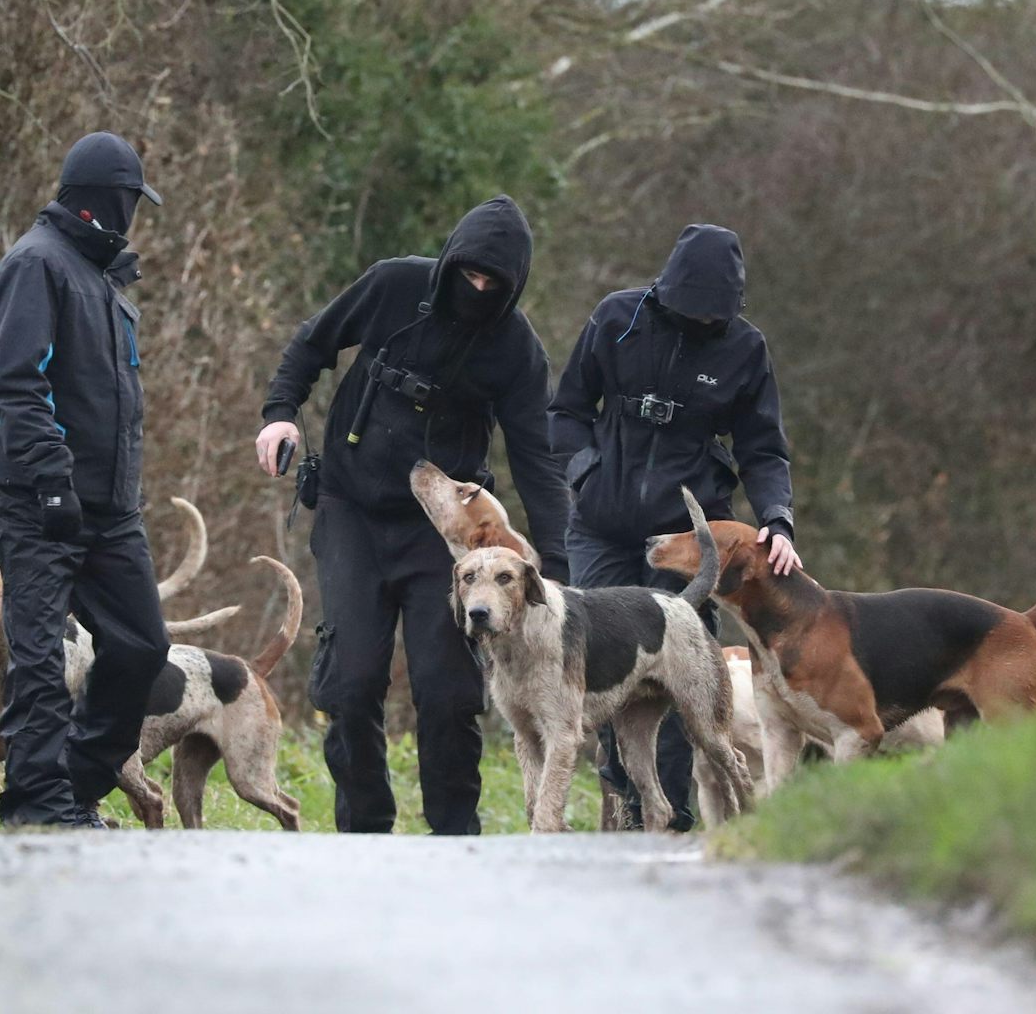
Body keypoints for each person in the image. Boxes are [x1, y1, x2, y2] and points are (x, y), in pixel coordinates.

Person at [256, 195, 570, 835]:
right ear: (451, 261)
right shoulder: (395, 285)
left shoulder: (516, 349)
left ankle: (455, 836)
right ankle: (365, 832)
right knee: (350, 681)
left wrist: (558, 567)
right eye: (469, 275)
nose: (477, 289)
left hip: (444, 540)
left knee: (448, 690)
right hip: (352, 510)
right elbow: (312, 343)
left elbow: (537, 462)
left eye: (493, 285)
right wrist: (281, 412)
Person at [548, 223, 799, 831]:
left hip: (687, 540)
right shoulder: (617, 318)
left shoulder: (745, 348)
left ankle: (675, 816)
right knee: (603, 667)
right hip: (602, 526)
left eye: (709, 317)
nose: (696, 324)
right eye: (687, 312)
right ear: (667, 289)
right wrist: (584, 473)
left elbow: (763, 449)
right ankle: (630, 809)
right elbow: (567, 411)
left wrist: (777, 520)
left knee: (681, 674)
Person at [0, 131, 171, 829]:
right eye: (128, 202)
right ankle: (37, 807)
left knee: (144, 645)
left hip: (109, 506)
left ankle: (75, 784)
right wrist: (51, 482)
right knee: (39, 656)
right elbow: (15, 384)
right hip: (38, 500)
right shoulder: (37, 266)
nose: (132, 216)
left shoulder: (101, 278)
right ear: (99, 201)